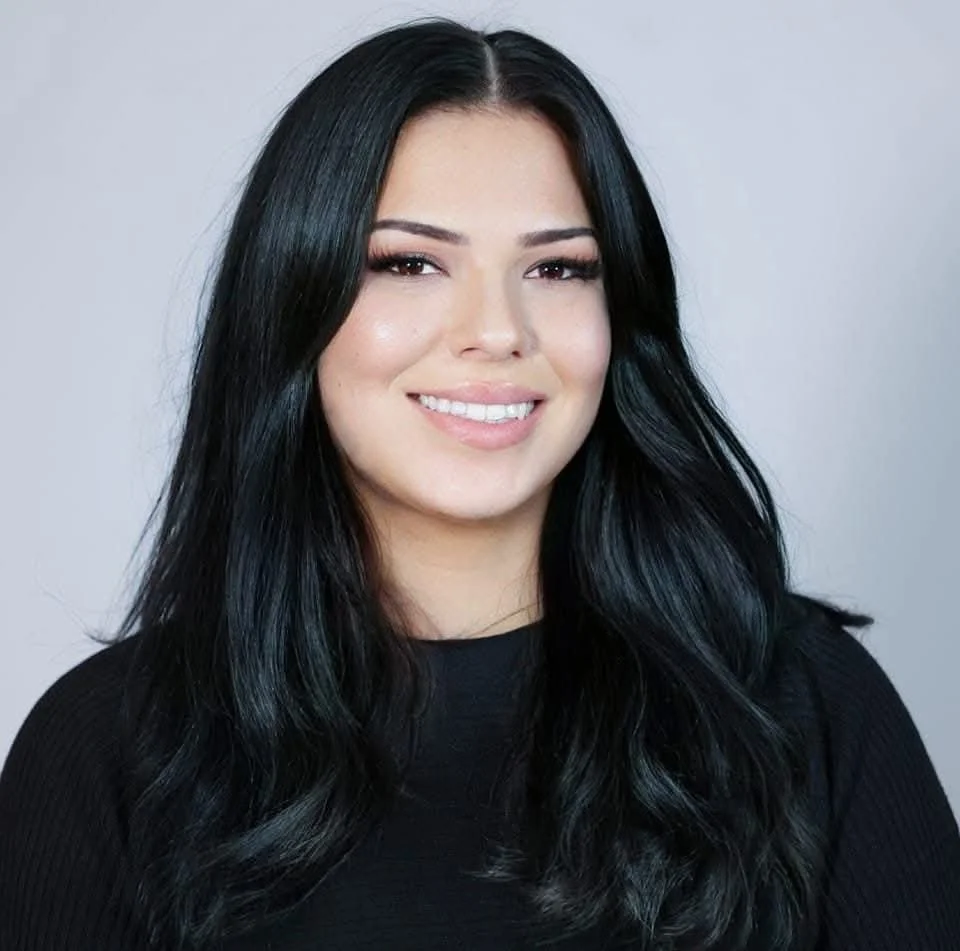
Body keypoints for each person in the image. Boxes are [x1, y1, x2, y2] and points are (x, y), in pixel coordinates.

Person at [1, 17, 958, 951]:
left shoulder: (801, 702)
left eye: (557, 266)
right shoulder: (105, 750)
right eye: (409, 262)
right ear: (292, 301)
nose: (497, 328)